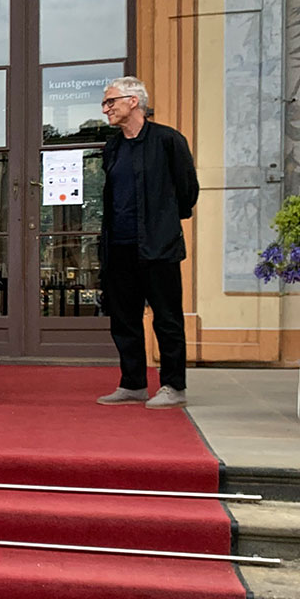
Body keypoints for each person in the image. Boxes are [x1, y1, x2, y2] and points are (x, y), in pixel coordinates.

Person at [94, 76, 200, 409]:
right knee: (123, 318)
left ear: (134, 101)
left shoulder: (168, 140)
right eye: (105, 103)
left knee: (167, 318)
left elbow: (188, 190)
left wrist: (164, 221)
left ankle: (173, 385)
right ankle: (133, 383)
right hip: (119, 246)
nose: (106, 108)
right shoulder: (112, 147)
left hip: (159, 245)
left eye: (111, 102)